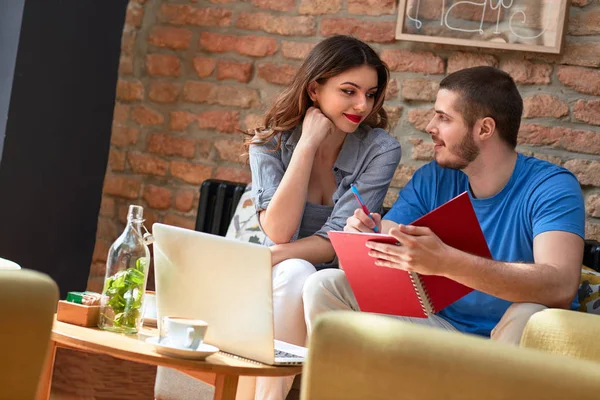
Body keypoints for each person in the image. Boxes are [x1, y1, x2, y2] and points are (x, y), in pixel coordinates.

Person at [303, 66, 585, 346]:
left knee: (529, 313)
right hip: (442, 332)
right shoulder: (435, 178)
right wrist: (365, 238)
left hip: (510, 350)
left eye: (444, 118)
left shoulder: (550, 186)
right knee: (325, 284)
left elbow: (560, 285)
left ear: (484, 129)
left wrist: (447, 263)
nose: (430, 127)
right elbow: (388, 235)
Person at [244, 35, 401, 399]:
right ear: (315, 89)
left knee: (306, 273)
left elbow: (337, 240)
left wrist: (267, 256)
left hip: (331, 281)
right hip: (275, 277)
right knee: (295, 270)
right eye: (349, 91)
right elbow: (280, 231)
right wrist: (307, 144)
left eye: (371, 93)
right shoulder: (268, 143)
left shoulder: (380, 150)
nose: (362, 104)